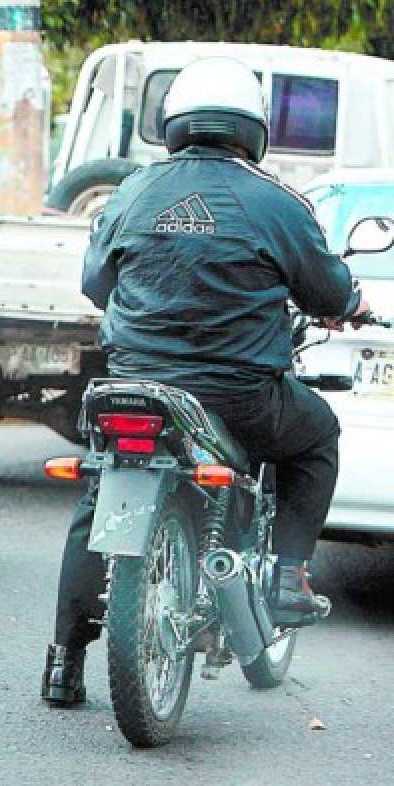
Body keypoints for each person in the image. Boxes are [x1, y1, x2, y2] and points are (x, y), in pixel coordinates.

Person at [41, 57, 371, 706]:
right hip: (239, 398)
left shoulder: (131, 192)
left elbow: (94, 284)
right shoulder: (277, 201)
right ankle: (288, 579)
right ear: (253, 129)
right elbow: (328, 288)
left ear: (174, 124)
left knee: (98, 495)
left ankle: (62, 662)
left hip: (134, 389)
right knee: (317, 435)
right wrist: (351, 303)